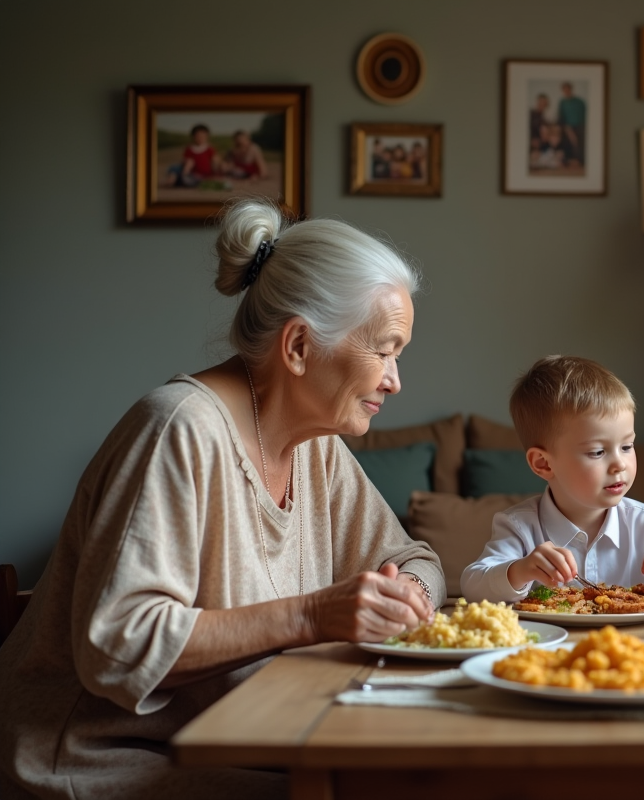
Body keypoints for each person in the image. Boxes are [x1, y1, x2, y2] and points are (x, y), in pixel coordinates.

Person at [0, 199, 447, 800]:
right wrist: (313, 615)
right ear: (297, 347)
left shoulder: (316, 444)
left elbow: (415, 556)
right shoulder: (177, 429)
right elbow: (119, 647)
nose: (395, 380)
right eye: (385, 349)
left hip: (242, 738)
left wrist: (407, 599)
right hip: (101, 759)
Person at [461, 356, 644, 604]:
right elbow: (473, 584)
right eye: (597, 452)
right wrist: (519, 571)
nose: (619, 463)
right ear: (544, 463)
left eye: (627, 446)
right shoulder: (519, 527)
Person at [556, 82, 586, 166]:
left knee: (580, 144)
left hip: (580, 126)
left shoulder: (580, 102)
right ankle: (568, 162)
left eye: (568, 89)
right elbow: (560, 117)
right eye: (564, 90)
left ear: (571, 89)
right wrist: (567, 128)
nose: (566, 92)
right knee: (567, 143)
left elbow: (584, 115)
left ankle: (581, 162)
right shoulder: (562, 102)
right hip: (567, 127)